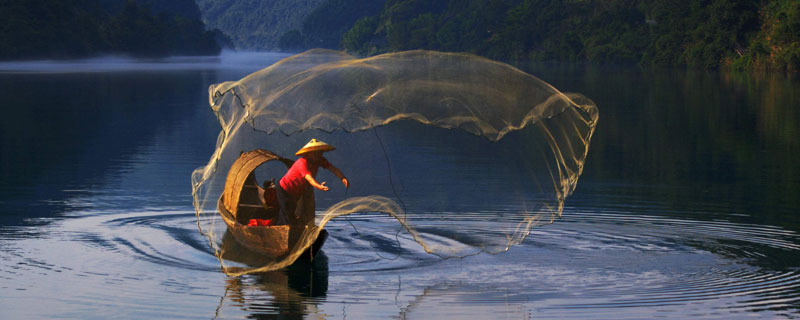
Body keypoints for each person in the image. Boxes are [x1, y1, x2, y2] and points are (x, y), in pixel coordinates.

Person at [275, 139, 349, 225]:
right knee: (287, 213)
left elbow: (333, 169)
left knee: (292, 211)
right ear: (309, 153)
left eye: (320, 152)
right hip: (285, 189)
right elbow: (309, 179)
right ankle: (281, 229)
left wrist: (342, 178)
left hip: (296, 191)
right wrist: (319, 186)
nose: (319, 155)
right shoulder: (302, 163)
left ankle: (283, 228)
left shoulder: (320, 160)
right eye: (316, 153)